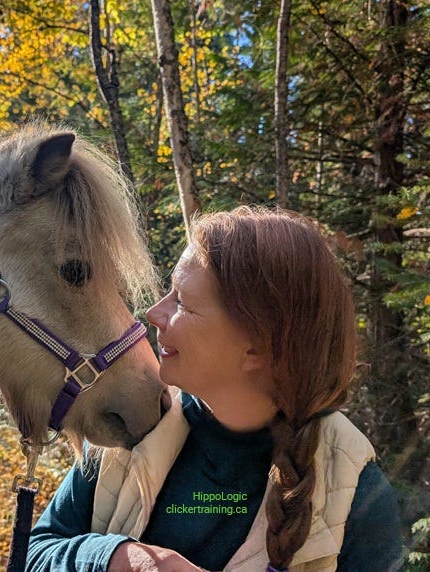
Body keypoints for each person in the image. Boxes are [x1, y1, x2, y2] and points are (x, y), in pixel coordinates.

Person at [26, 207, 403, 572]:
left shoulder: (355, 493)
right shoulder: (135, 422)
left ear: (257, 347)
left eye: (182, 302)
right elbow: (34, 553)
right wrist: (117, 559)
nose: (153, 314)